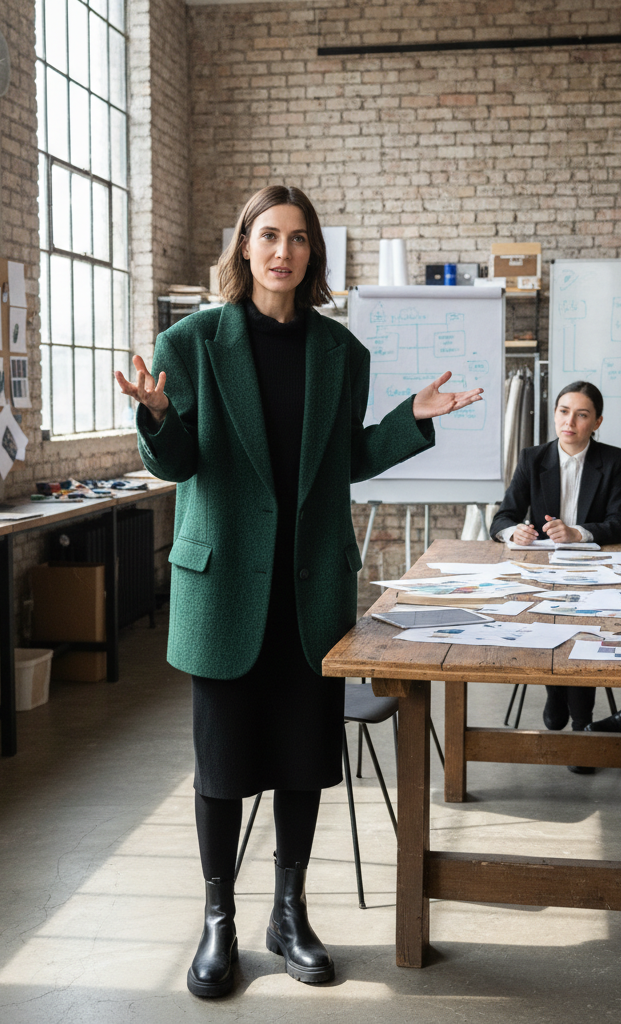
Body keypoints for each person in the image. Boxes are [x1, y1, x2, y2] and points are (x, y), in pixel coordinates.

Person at [115, 185, 483, 997]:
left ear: (314, 254)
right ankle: (219, 922)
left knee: (302, 762)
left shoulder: (341, 354)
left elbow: (337, 461)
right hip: (223, 596)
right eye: (269, 236)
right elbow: (178, 465)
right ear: (244, 247)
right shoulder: (194, 340)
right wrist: (154, 415)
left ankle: (289, 910)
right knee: (220, 768)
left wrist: (408, 420)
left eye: (299, 239)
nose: (284, 251)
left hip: (309, 591)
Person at [490, 380, 621, 767]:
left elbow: (619, 521)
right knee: (549, 619)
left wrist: (578, 533)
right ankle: (555, 691)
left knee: (587, 628)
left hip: (595, 570)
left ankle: (581, 727)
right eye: (564, 412)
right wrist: (515, 531)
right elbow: (502, 516)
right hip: (545, 572)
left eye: (582, 415)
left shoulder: (614, 461)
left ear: (596, 421)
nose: (570, 422)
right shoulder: (533, 458)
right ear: (555, 415)